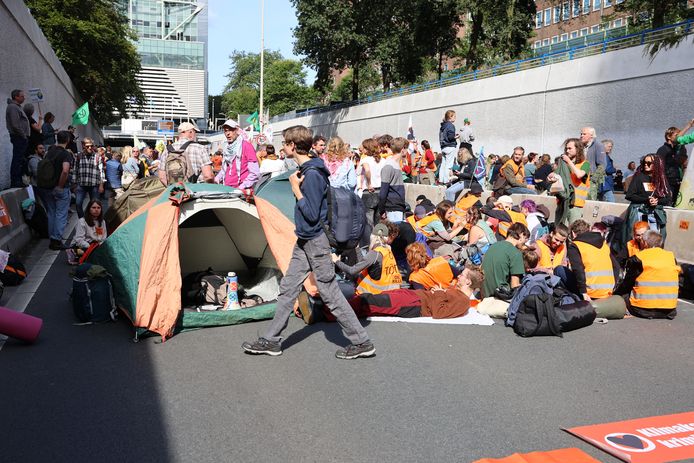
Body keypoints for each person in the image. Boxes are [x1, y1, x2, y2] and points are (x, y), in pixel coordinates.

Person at [242, 125, 375, 360]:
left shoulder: (312, 174)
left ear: (293, 146)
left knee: (330, 293)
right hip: (305, 240)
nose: (282, 147)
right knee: (288, 288)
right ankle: (272, 340)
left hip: (314, 241)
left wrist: (296, 190)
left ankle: (361, 341)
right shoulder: (309, 169)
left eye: (285, 143)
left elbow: (312, 213)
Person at [614, 230, 679, 320]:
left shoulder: (639, 258)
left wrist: (615, 294)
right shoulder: (671, 257)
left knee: (623, 295)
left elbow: (627, 284)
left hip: (642, 309)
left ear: (644, 243)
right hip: (669, 310)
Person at [333, 222, 402, 297]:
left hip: (373, 296)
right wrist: (357, 249)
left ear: (373, 237)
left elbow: (352, 271)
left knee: (338, 289)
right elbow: (364, 265)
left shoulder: (375, 253)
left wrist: (337, 261)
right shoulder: (387, 250)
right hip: (390, 294)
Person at [561, 219, 618, 301]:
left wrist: (583, 292)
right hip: (607, 293)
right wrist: (611, 287)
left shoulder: (575, 246)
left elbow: (578, 269)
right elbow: (616, 267)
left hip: (590, 294)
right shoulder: (603, 244)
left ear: (573, 233)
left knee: (559, 270)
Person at [623, 154, 670, 243]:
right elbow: (629, 195)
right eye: (644, 162)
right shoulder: (639, 177)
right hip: (640, 213)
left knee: (654, 238)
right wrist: (646, 200)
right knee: (639, 237)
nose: (645, 164)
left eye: (649, 163)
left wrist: (657, 201)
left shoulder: (661, 179)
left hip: (654, 214)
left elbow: (668, 198)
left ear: (656, 164)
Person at [37, 130, 72, 250]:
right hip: (59, 188)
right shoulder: (65, 154)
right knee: (61, 214)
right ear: (67, 140)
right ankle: (56, 240)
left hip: (45, 187)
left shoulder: (49, 152)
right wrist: (61, 186)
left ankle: (52, 238)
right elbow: (65, 170)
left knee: (51, 213)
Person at [481, 222, 529, 298]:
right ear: (521, 235)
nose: (525, 243)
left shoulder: (494, 246)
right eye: (526, 239)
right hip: (498, 298)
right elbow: (515, 286)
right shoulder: (515, 253)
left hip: (484, 294)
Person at [551, 138, 590, 225]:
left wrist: (569, 161)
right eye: (566, 148)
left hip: (575, 205)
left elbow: (579, 174)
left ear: (578, 149)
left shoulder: (585, 164)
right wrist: (551, 177)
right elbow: (555, 175)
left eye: (570, 148)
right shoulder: (564, 164)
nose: (567, 151)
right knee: (559, 230)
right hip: (562, 202)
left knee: (574, 231)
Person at [656, 120, 694, 206]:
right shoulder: (663, 150)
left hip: (677, 182)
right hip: (667, 183)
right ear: (668, 137)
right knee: (667, 205)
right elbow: (658, 168)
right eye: (676, 135)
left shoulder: (676, 150)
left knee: (676, 205)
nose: (679, 137)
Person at [72, 137, 105, 219]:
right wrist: (74, 184)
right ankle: (82, 220)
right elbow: (75, 170)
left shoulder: (97, 156)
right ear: (83, 145)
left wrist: (101, 185)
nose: (90, 148)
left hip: (94, 185)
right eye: (87, 146)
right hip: (81, 184)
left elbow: (101, 172)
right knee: (78, 203)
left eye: (91, 146)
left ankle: (93, 220)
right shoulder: (78, 156)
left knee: (95, 205)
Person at [67, 199, 108, 264]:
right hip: (84, 245)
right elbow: (79, 239)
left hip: (95, 245)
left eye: (98, 208)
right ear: (89, 209)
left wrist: (99, 246)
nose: (96, 210)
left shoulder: (102, 222)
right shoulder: (82, 221)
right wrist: (90, 247)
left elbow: (103, 238)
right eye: (93, 208)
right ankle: (73, 252)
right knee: (87, 254)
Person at [378, 137, 407, 223]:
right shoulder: (389, 166)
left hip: (397, 206)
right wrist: (382, 210)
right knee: (395, 234)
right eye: (406, 148)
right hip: (393, 208)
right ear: (402, 150)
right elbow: (383, 191)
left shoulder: (395, 165)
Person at [357, 138, 384, 230]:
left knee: (368, 221)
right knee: (378, 220)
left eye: (364, 148)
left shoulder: (365, 159)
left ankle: (369, 241)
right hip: (380, 191)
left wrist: (369, 183)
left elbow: (367, 170)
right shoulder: (383, 160)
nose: (362, 150)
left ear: (368, 148)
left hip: (369, 192)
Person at [6, 89, 30, 187]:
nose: (24, 98)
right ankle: (15, 181)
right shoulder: (13, 107)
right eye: (22, 96)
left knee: (19, 159)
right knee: (17, 159)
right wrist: (23, 135)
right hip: (19, 137)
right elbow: (15, 125)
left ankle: (18, 180)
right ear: (16, 97)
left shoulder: (17, 107)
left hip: (21, 137)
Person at [579, 127, 606, 200]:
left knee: (590, 200)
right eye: (581, 134)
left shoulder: (598, 145)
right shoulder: (580, 145)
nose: (581, 136)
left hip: (591, 179)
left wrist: (594, 179)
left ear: (591, 135)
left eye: (584, 134)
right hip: (579, 177)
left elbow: (602, 165)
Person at [438, 110, 458, 184]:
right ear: (450, 116)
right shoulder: (451, 125)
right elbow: (450, 137)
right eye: (454, 116)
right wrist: (456, 137)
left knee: (443, 164)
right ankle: (446, 181)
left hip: (443, 147)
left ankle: (441, 180)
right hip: (450, 146)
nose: (455, 118)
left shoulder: (442, 126)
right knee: (449, 165)